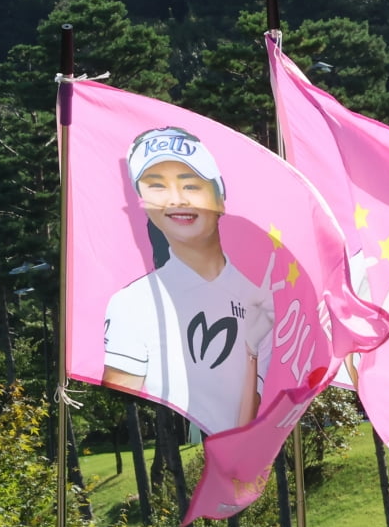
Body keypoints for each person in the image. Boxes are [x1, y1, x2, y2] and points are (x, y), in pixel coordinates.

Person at [103, 127, 275, 438]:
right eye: (156, 187)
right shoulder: (131, 304)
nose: (176, 200)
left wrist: (250, 352)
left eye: (191, 185)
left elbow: (249, 421)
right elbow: (122, 398)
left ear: (220, 198)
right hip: (175, 474)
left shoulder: (261, 299)